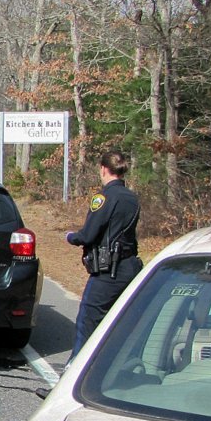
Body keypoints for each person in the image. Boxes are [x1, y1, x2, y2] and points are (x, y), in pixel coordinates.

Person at [65, 150, 142, 359]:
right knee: (119, 323)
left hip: (108, 270)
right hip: (130, 267)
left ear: (103, 169)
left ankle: (72, 377)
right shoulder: (132, 198)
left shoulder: (104, 197)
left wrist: (71, 237)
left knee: (87, 321)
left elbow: (89, 235)